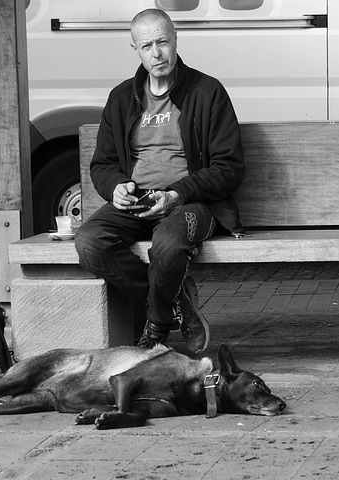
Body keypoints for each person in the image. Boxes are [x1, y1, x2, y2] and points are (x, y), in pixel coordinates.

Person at [74, 9, 244, 354]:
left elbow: (229, 167)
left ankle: (156, 327)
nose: (157, 53)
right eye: (147, 45)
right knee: (90, 242)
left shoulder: (207, 92)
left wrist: (176, 194)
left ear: (175, 39)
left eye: (163, 42)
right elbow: (103, 164)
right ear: (135, 49)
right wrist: (117, 187)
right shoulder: (121, 99)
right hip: (138, 201)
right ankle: (177, 303)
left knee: (167, 245)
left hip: (192, 203)